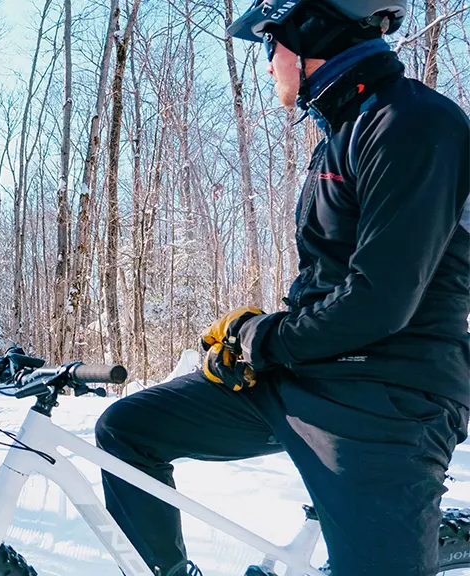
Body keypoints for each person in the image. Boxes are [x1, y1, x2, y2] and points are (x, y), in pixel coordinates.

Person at [94, 1, 470, 574]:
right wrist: (255, 344)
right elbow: (332, 284)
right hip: (311, 376)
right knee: (127, 431)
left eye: (271, 44)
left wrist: (260, 338)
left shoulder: (411, 123)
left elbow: (381, 299)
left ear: (312, 31)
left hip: (385, 400)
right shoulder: (345, 128)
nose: (267, 65)